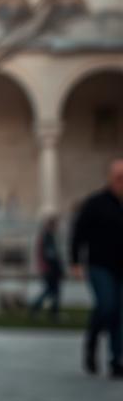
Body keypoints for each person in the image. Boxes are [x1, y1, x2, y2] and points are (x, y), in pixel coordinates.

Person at [69, 157, 123, 378]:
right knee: (107, 306)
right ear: (110, 178)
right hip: (100, 266)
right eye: (119, 177)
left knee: (120, 313)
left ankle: (116, 359)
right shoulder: (96, 203)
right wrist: (75, 262)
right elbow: (78, 234)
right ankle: (92, 341)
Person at [29, 212, 64, 319]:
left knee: (53, 291)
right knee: (51, 290)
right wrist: (57, 267)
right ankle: (38, 308)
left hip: (49, 268)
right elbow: (49, 255)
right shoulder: (47, 237)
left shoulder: (48, 236)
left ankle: (51, 311)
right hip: (50, 268)